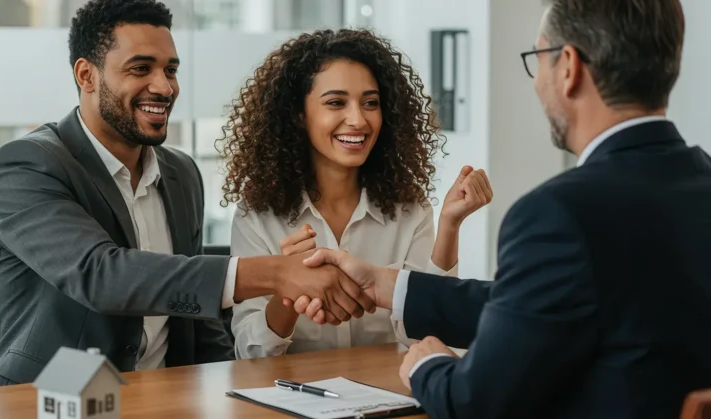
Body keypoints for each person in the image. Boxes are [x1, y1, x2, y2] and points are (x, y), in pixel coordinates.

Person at [293, 0, 711, 417]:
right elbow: (537, 307)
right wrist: (388, 287)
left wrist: (428, 365)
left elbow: (475, 404)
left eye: (538, 59)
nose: (535, 82)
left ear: (568, 67)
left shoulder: (559, 214)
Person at [0, 0, 373, 386]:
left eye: (170, 70)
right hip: (50, 400)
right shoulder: (26, 165)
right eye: (141, 69)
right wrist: (275, 273)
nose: (164, 87)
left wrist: (235, 390)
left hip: (165, 397)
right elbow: (100, 275)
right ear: (87, 76)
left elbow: (195, 320)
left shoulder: (181, 173)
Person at [217, 29, 492, 359]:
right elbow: (251, 355)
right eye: (335, 102)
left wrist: (449, 225)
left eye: (370, 103)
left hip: (387, 396)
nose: (358, 119)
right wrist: (287, 286)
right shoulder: (256, 216)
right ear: (299, 115)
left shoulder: (409, 209)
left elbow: (429, 334)